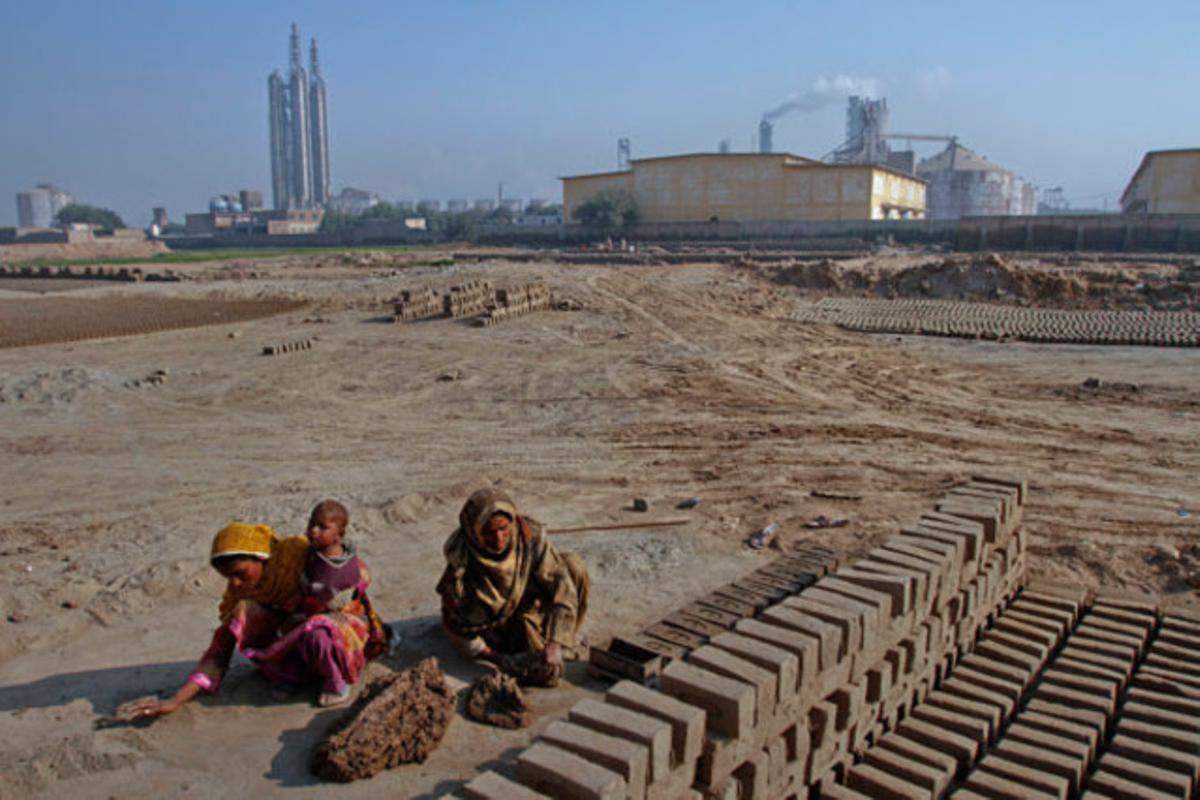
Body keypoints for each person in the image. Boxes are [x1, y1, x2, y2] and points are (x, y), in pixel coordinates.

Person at [131, 517, 383, 720]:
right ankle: (294, 675)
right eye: (229, 578)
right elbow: (219, 653)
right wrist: (176, 701)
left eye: (240, 574)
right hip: (292, 635)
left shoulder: (298, 557)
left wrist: (322, 607)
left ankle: (335, 682)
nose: (236, 584)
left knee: (318, 632)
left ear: (261, 557)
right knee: (247, 615)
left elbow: (353, 573)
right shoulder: (241, 596)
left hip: (338, 627)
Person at [436, 488, 589, 687]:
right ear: (474, 531)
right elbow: (455, 625)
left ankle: (563, 637)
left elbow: (562, 586)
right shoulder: (462, 561)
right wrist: (496, 658)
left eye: (504, 529)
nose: (499, 539)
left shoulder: (529, 537)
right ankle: (526, 645)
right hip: (500, 627)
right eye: (489, 532)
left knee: (573, 565)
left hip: (530, 600)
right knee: (537, 667)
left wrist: (555, 643)